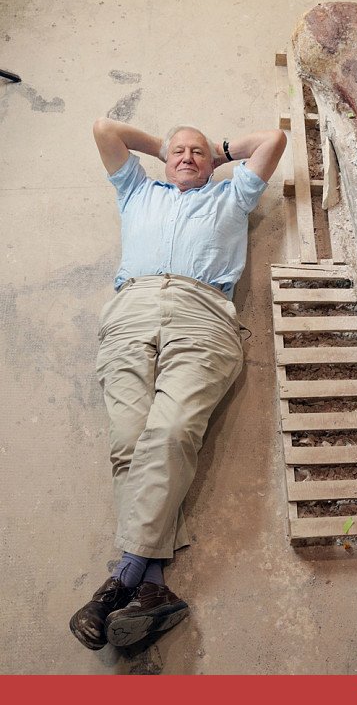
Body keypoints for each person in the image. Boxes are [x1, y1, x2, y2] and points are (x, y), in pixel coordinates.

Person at [69, 117, 286, 650]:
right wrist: (164, 145)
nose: (187, 157)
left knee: (169, 434)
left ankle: (125, 574)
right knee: (128, 440)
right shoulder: (137, 190)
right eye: (178, 152)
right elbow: (104, 129)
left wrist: (220, 150)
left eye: (197, 153)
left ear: (213, 163)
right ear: (163, 160)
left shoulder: (232, 195)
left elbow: (273, 140)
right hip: (130, 312)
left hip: (202, 312)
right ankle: (153, 590)